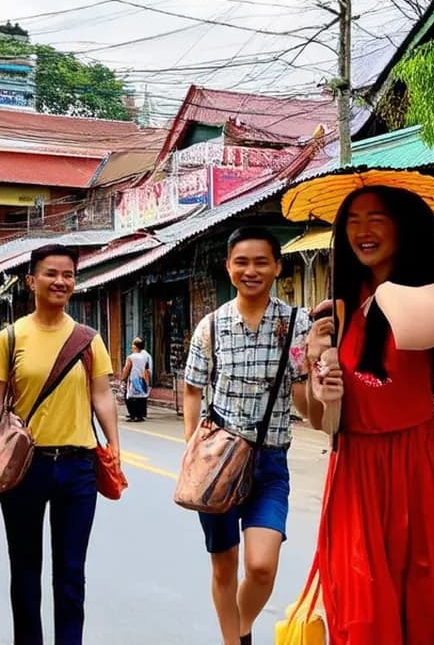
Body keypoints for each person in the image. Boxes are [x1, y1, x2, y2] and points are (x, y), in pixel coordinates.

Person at [298, 186, 434, 644]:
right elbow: (320, 422)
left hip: (421, 477)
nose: (362, 230)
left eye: (377, 217)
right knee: (364, 626)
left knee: (431, 622)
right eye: (352, 220)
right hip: (355, 481)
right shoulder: (332, 316)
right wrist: (317, 376)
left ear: (403, 226)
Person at [0, 244, 121, 645]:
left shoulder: (88, 340)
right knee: (25, 570)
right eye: (51, 273)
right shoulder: (10, 338)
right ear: (31, 281)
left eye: (68, 275)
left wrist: (113, 444)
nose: (61, 281)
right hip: (25, 468)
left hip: (78, 468)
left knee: (71, 574)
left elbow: (102, 394)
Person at [182, 227, 312, 645]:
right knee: (224, 566)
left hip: (270, 463)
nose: (250, 271)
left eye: (260, 262)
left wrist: (320, 388)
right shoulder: (211, 325)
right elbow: (192, 388)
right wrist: (192, 445)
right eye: (241, 262)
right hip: (218, 462)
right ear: (228, 267)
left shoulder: (298, 323)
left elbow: (303, 394)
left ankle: (241, 628)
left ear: (277, 267)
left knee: (261, 567)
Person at [119, 338, 152, 422]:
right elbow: (147, 369)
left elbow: (127, 368)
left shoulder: (131, 357)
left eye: (133, 344)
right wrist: (147, 381)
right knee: (140, 397)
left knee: (130, 397)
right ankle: (139, 416)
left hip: (133, 379)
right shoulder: (145, 357)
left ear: (135, 347)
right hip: (141, 379)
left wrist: (123, 378)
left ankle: (133, 415)